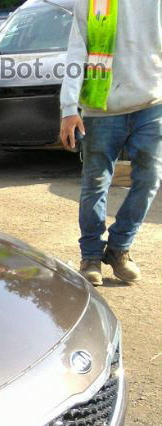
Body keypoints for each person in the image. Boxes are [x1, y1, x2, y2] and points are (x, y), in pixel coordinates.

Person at [59, 0, 162, 286]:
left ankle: (119, 249)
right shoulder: (94, 2)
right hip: (102, 109)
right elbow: (77, 50)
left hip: (152, 103)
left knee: (150, 179)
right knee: (95, 183)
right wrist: (69, 108)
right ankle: (91, 256)